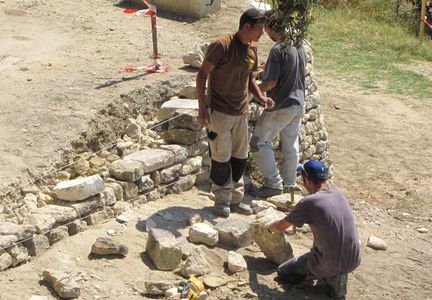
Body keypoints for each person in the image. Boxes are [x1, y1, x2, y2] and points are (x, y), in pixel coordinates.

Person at [196, 8, 274, 218]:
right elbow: (202, 75)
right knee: (221, 158)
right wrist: (202, 109)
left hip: (242, 112)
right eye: (259, 29)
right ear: (246, 26)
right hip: (220, 112)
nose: (262, 34)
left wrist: (261, 97)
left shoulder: (252, 49)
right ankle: (222, 200)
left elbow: (250, 78)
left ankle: (236, 199)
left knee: (239, 158)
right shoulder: (222, 45)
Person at [266, 160, 361, 300]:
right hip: (354, 259)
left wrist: (267, 228)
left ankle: (329, 276)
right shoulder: (339, 195)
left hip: (329, 262)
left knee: (283, 272)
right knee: (325, 252)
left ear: (307, 180)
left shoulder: (309, 202)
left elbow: (280, 227)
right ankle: (334, 275)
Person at [248, 16, 307, 198]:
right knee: (290, 145)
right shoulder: (298, 45)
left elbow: (271, 83)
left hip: (282, 104)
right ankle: (289, 184)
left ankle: (273, 184)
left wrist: (254, 90)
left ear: (272, 28)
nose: (265, 33)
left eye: (266, 30)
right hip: (299, 103)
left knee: (258, 143)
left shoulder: (277, 49)